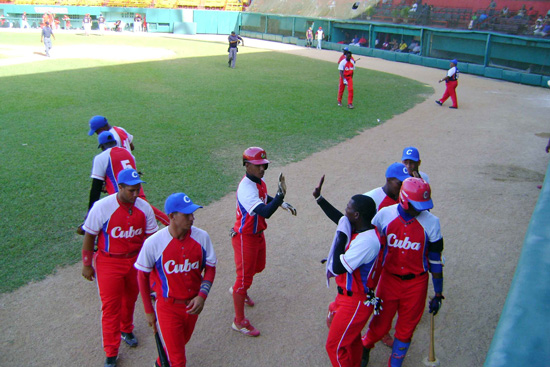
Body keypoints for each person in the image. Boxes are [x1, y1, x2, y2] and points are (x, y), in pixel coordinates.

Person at [361, 178, 445, 367]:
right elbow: (370, 245)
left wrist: (438, 293)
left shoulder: (432, 223)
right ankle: (365, 345)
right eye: (418, 205)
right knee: (380, 323)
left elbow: (435, 261)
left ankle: (395, 364)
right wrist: (368, 282)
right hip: (389, 280)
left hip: (416, 285)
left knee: (406, 330)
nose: (422, 209)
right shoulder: (384, 215)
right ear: (404, 200)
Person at [81, 168, 159, 367]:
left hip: (135, 262)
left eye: (137, 190)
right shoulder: (102, 207)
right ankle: (111, 351)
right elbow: (89, 236)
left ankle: (126, 328)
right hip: (109, 262)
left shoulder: (144, 208)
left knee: (131, 299)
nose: (135, 194)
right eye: (130, 190)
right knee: (110, 307)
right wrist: (87, 264)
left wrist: (152, 268)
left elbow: (151, 240)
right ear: (120, 187)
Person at [135, 193, 217, 367]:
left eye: (192, 213)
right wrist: (149, 311)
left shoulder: (202, 237)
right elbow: (142, 276)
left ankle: (159, 364)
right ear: (172, 216)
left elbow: (210, 268)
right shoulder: (154, 243)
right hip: (167, 307)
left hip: (192, 306)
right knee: (178, 360)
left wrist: (202, 295)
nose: (192, 218)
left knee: (180, 342)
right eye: (186, 214)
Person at [230, 147, 296, 337]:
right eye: (258, 166)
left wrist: (281, 203)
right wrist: (280, 196)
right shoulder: (246, 188)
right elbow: (265, 211)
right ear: (247, 165)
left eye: (264, 165)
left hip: (258, 234)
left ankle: (239, 290)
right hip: (245, 238)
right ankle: (239, 321)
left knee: (258, 267)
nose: (262, 169)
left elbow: (264, 198)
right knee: (244, 279)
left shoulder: (259, 181)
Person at [322, 193, 381, 367]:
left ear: (356, 215)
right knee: (353, 340)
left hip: (355, 302)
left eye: (348, 208)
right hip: (347, 298)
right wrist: (320, 199)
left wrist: (340, 235)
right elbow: (340, 219)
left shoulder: (367, 242)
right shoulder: (362, 229)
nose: (345, 210)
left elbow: (339, 267)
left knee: (334, 347)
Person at [80, 131, 169, 231]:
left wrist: (90, 212)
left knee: (118, 223)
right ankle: (169, 224)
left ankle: (171, 224)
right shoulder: (127, 153)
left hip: (121, 197)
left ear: (101, 146)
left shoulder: (101, 158)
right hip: (137, 188)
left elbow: (95, 188)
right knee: (144, 213)